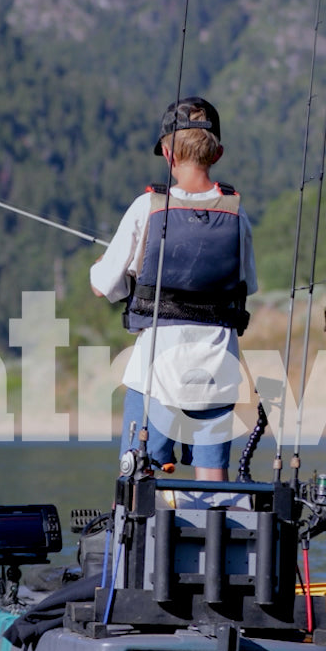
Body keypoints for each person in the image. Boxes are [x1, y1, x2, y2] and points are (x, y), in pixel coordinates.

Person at [89, 96, 257, 481]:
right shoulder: (236, 213)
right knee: (214, 484)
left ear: (167, 154)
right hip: (217, 370)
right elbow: (248, 284)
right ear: (217, 153)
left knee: (140, 480)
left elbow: (104, 287)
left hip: (156, 376)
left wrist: (102, 267)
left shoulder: (147, 207)